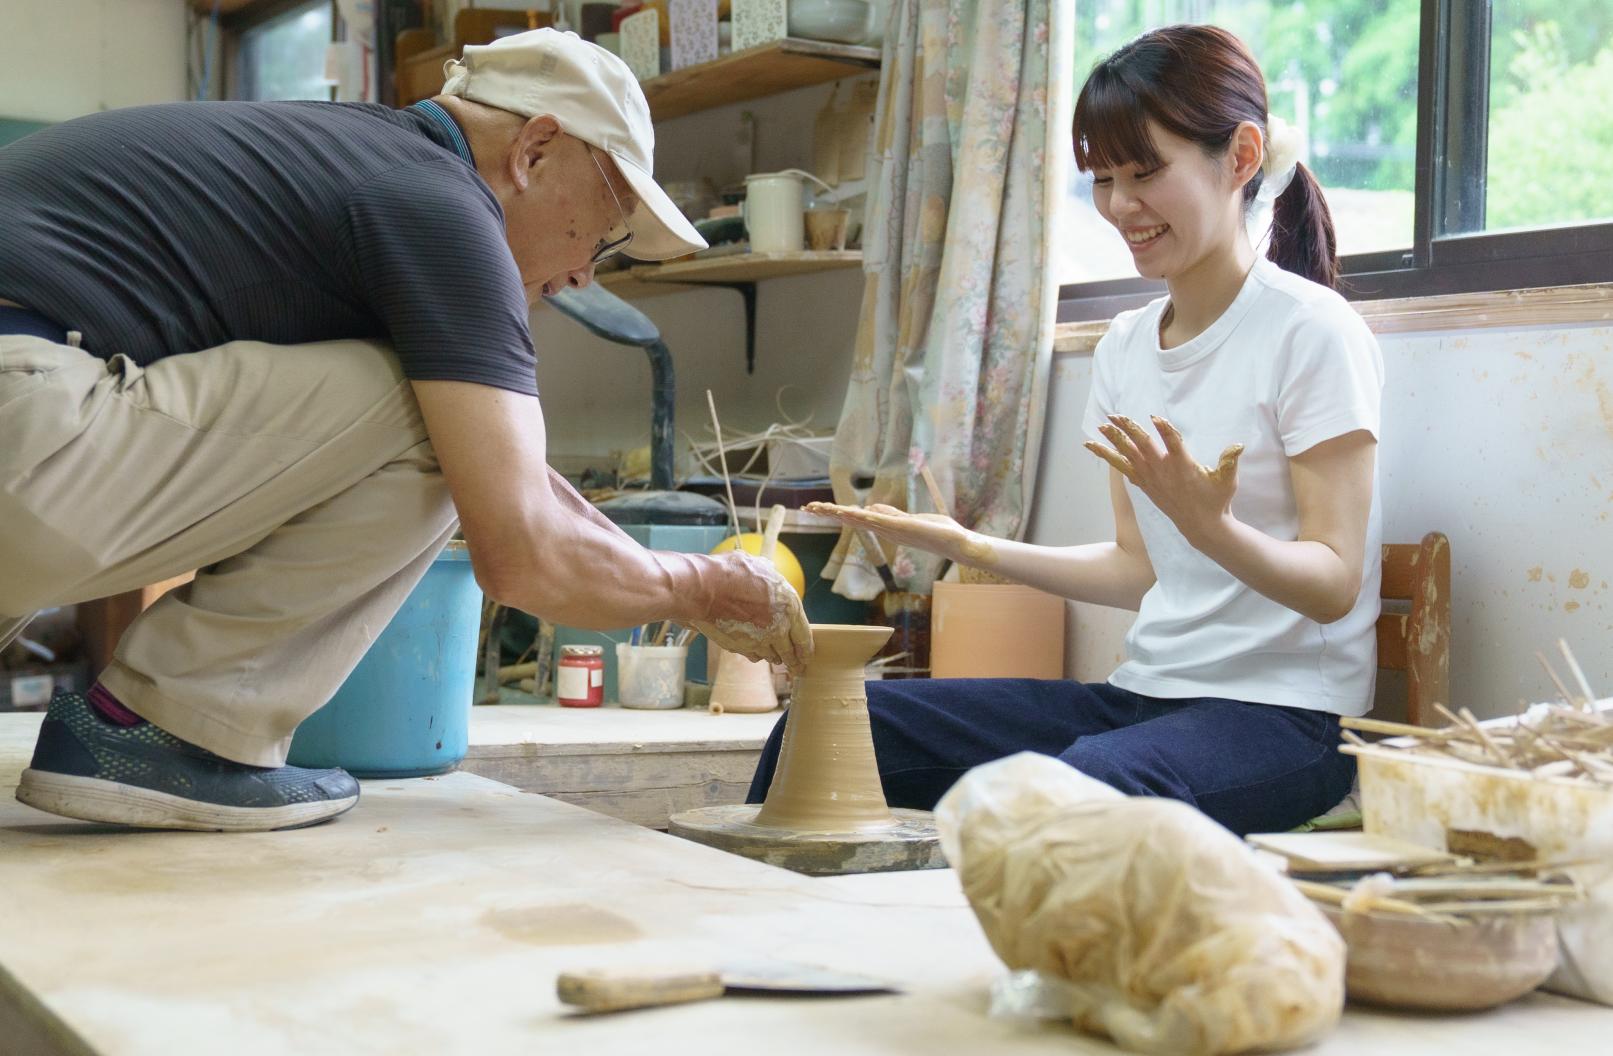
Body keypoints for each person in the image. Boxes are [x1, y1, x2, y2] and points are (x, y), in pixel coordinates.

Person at [0, 29, 809, 833]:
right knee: (431, 416)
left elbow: (523, 485)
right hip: (22, 413)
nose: (582, 273)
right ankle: (172, 727)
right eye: (607, 225)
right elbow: (522, 548)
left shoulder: (349, 164)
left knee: (443, 418)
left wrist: (660, 571)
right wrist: (701, 588)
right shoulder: (442, 204)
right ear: (535, 150)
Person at [760, 24, 1382, 836]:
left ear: (1239, 157)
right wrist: (970, 545)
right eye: (1103, 177)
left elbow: (1334, 581)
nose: (1121, 204)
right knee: (831, 722)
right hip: (1145, 698)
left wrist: (1210, 526)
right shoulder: (1125, 347)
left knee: (1066, 791)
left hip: (1288, 723)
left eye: (1144, 171)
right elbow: (1135, 569)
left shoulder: (1312, 332)